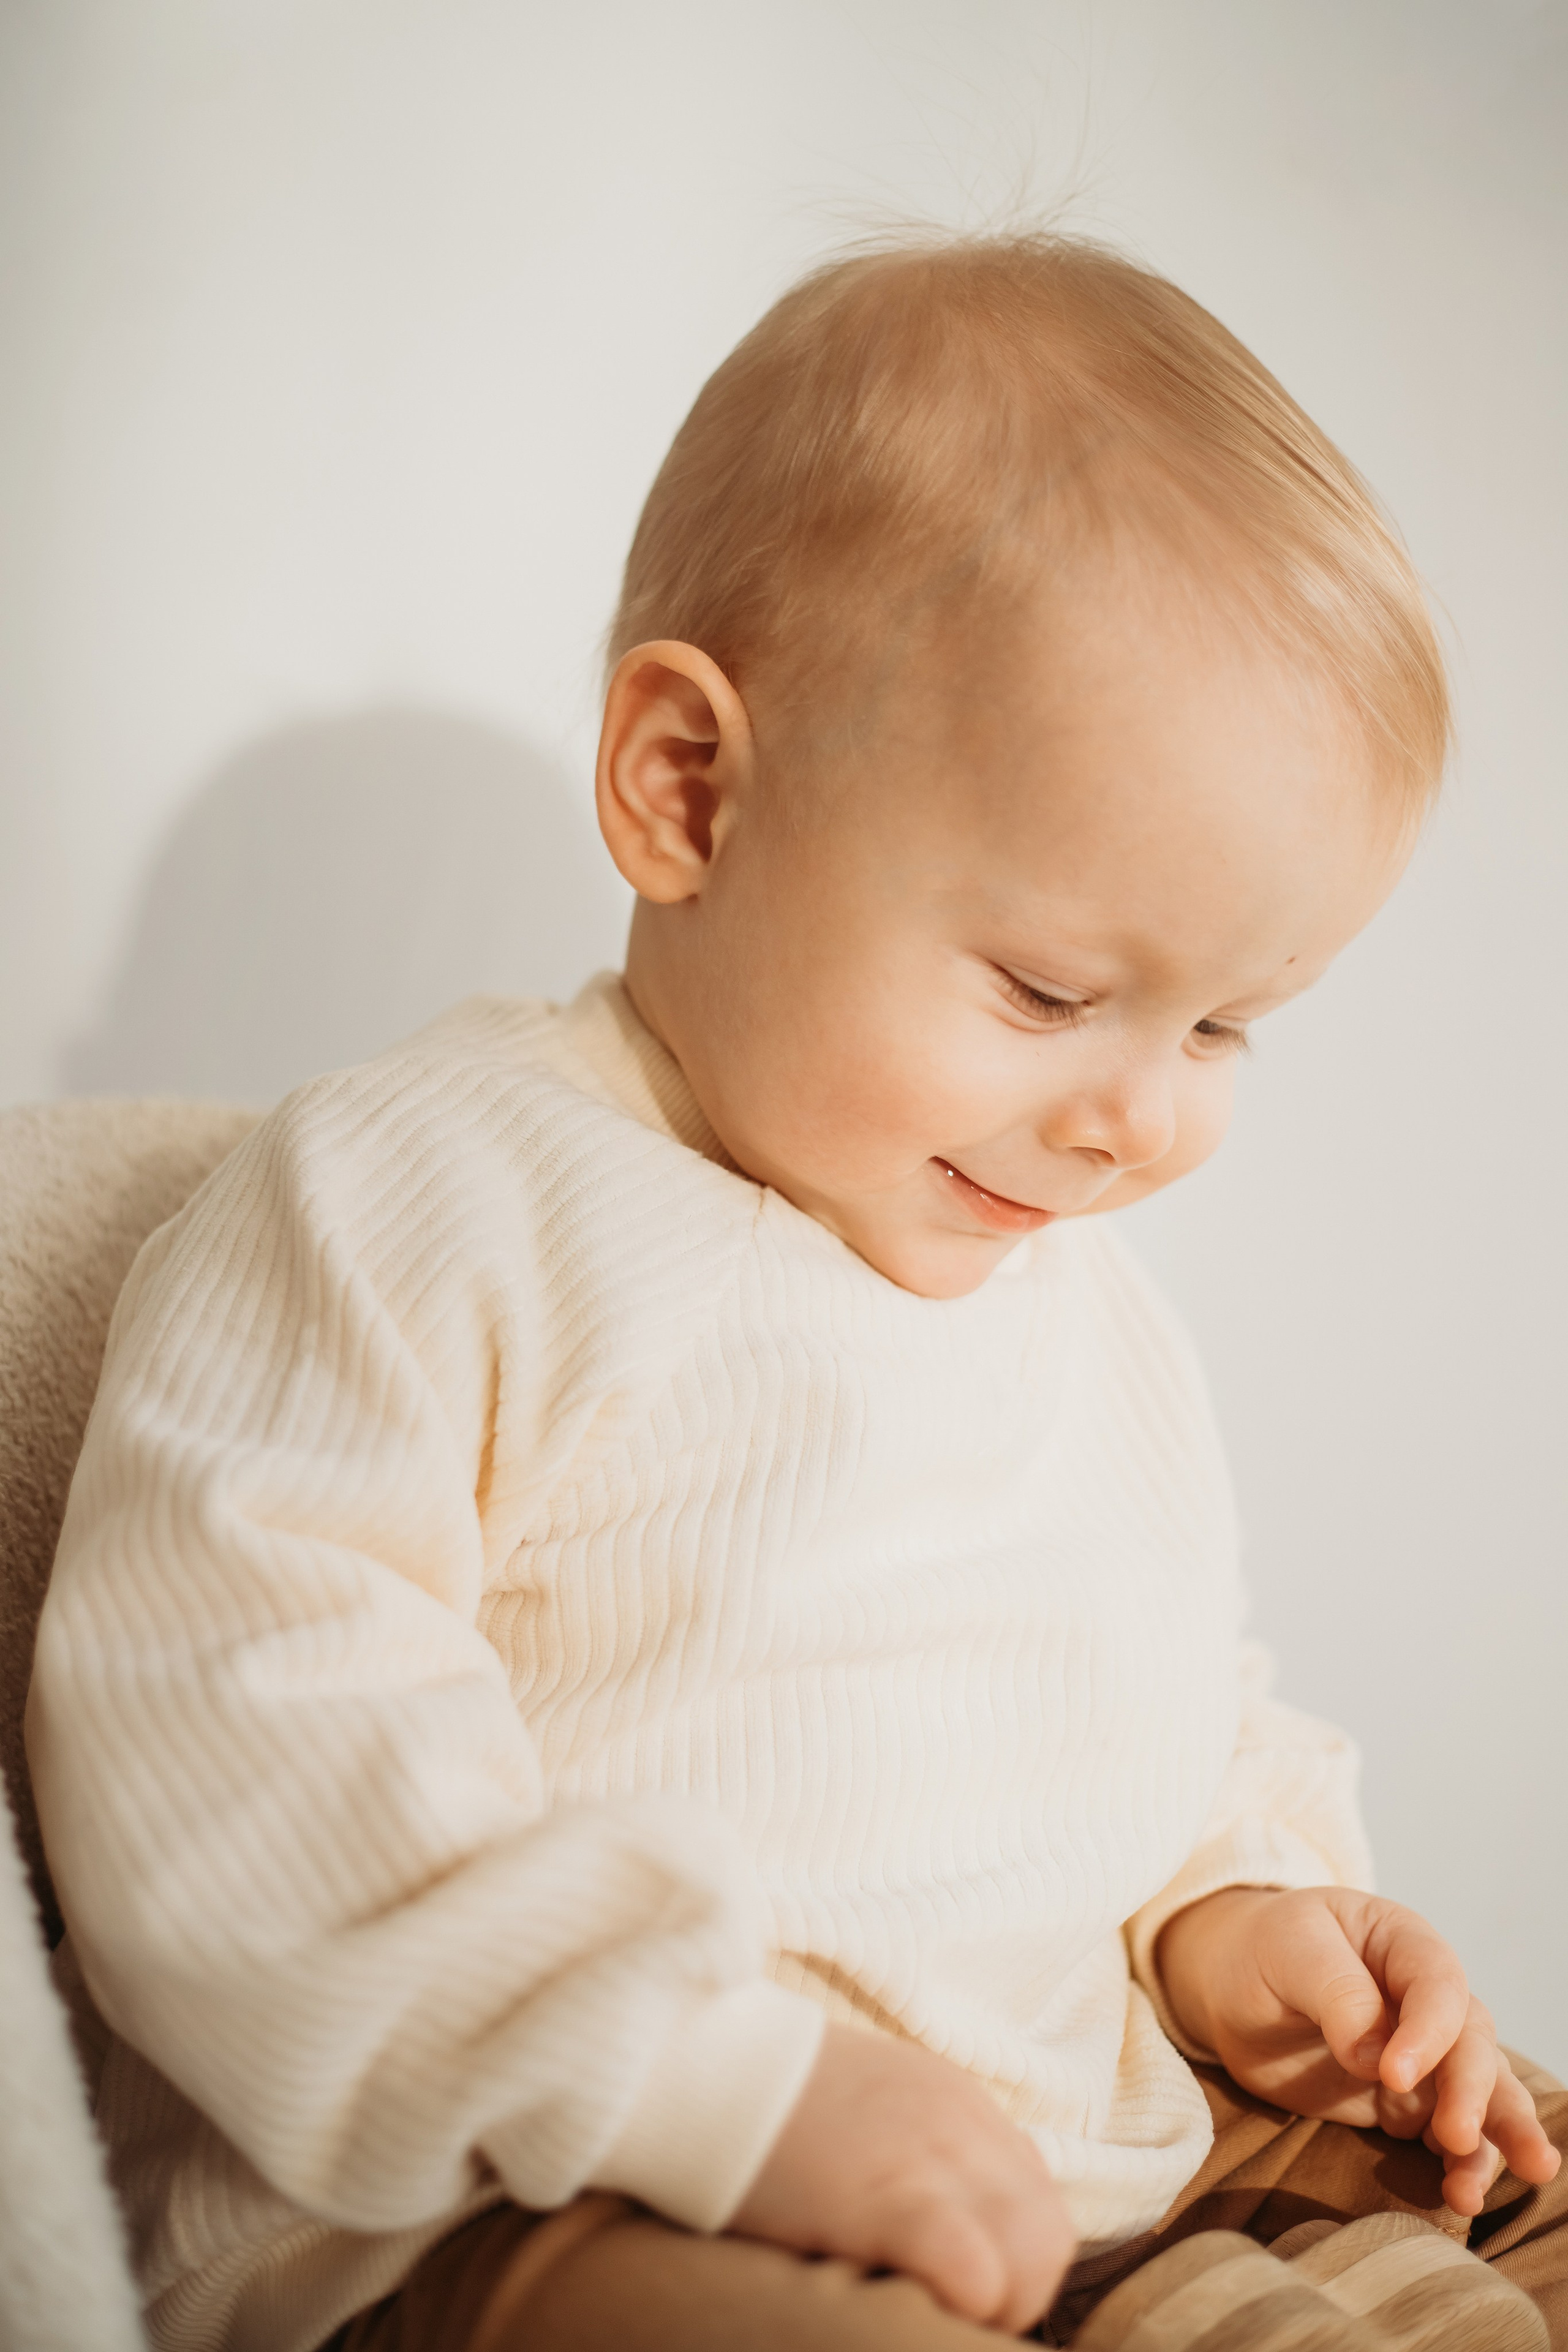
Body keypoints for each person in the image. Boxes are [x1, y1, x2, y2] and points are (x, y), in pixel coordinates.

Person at [26, 232, 1567, 2352]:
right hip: (534, 2192)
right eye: (1050, 989)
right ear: (691, 789)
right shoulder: (429, 1192)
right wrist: (719, 2090)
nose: (1141, 1123)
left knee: (1519, 2182)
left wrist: (1239, 1914)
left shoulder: (1081, 1311)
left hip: (1091, 2161)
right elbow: (232, 1729)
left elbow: (1147, 1701)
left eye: (1225, 1030)